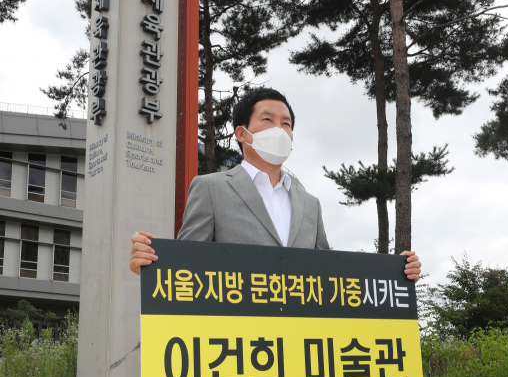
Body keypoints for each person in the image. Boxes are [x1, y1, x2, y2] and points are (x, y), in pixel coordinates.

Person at [130, 87, 421, 280]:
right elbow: (187, 265)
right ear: (242, 134)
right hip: (234, 341)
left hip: (299, 341)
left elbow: (329, 275)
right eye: (267, 120)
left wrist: (396, 272)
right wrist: (151, 265)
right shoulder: (210, 188)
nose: (279, 130)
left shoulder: (311, 204)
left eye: (286, 124)